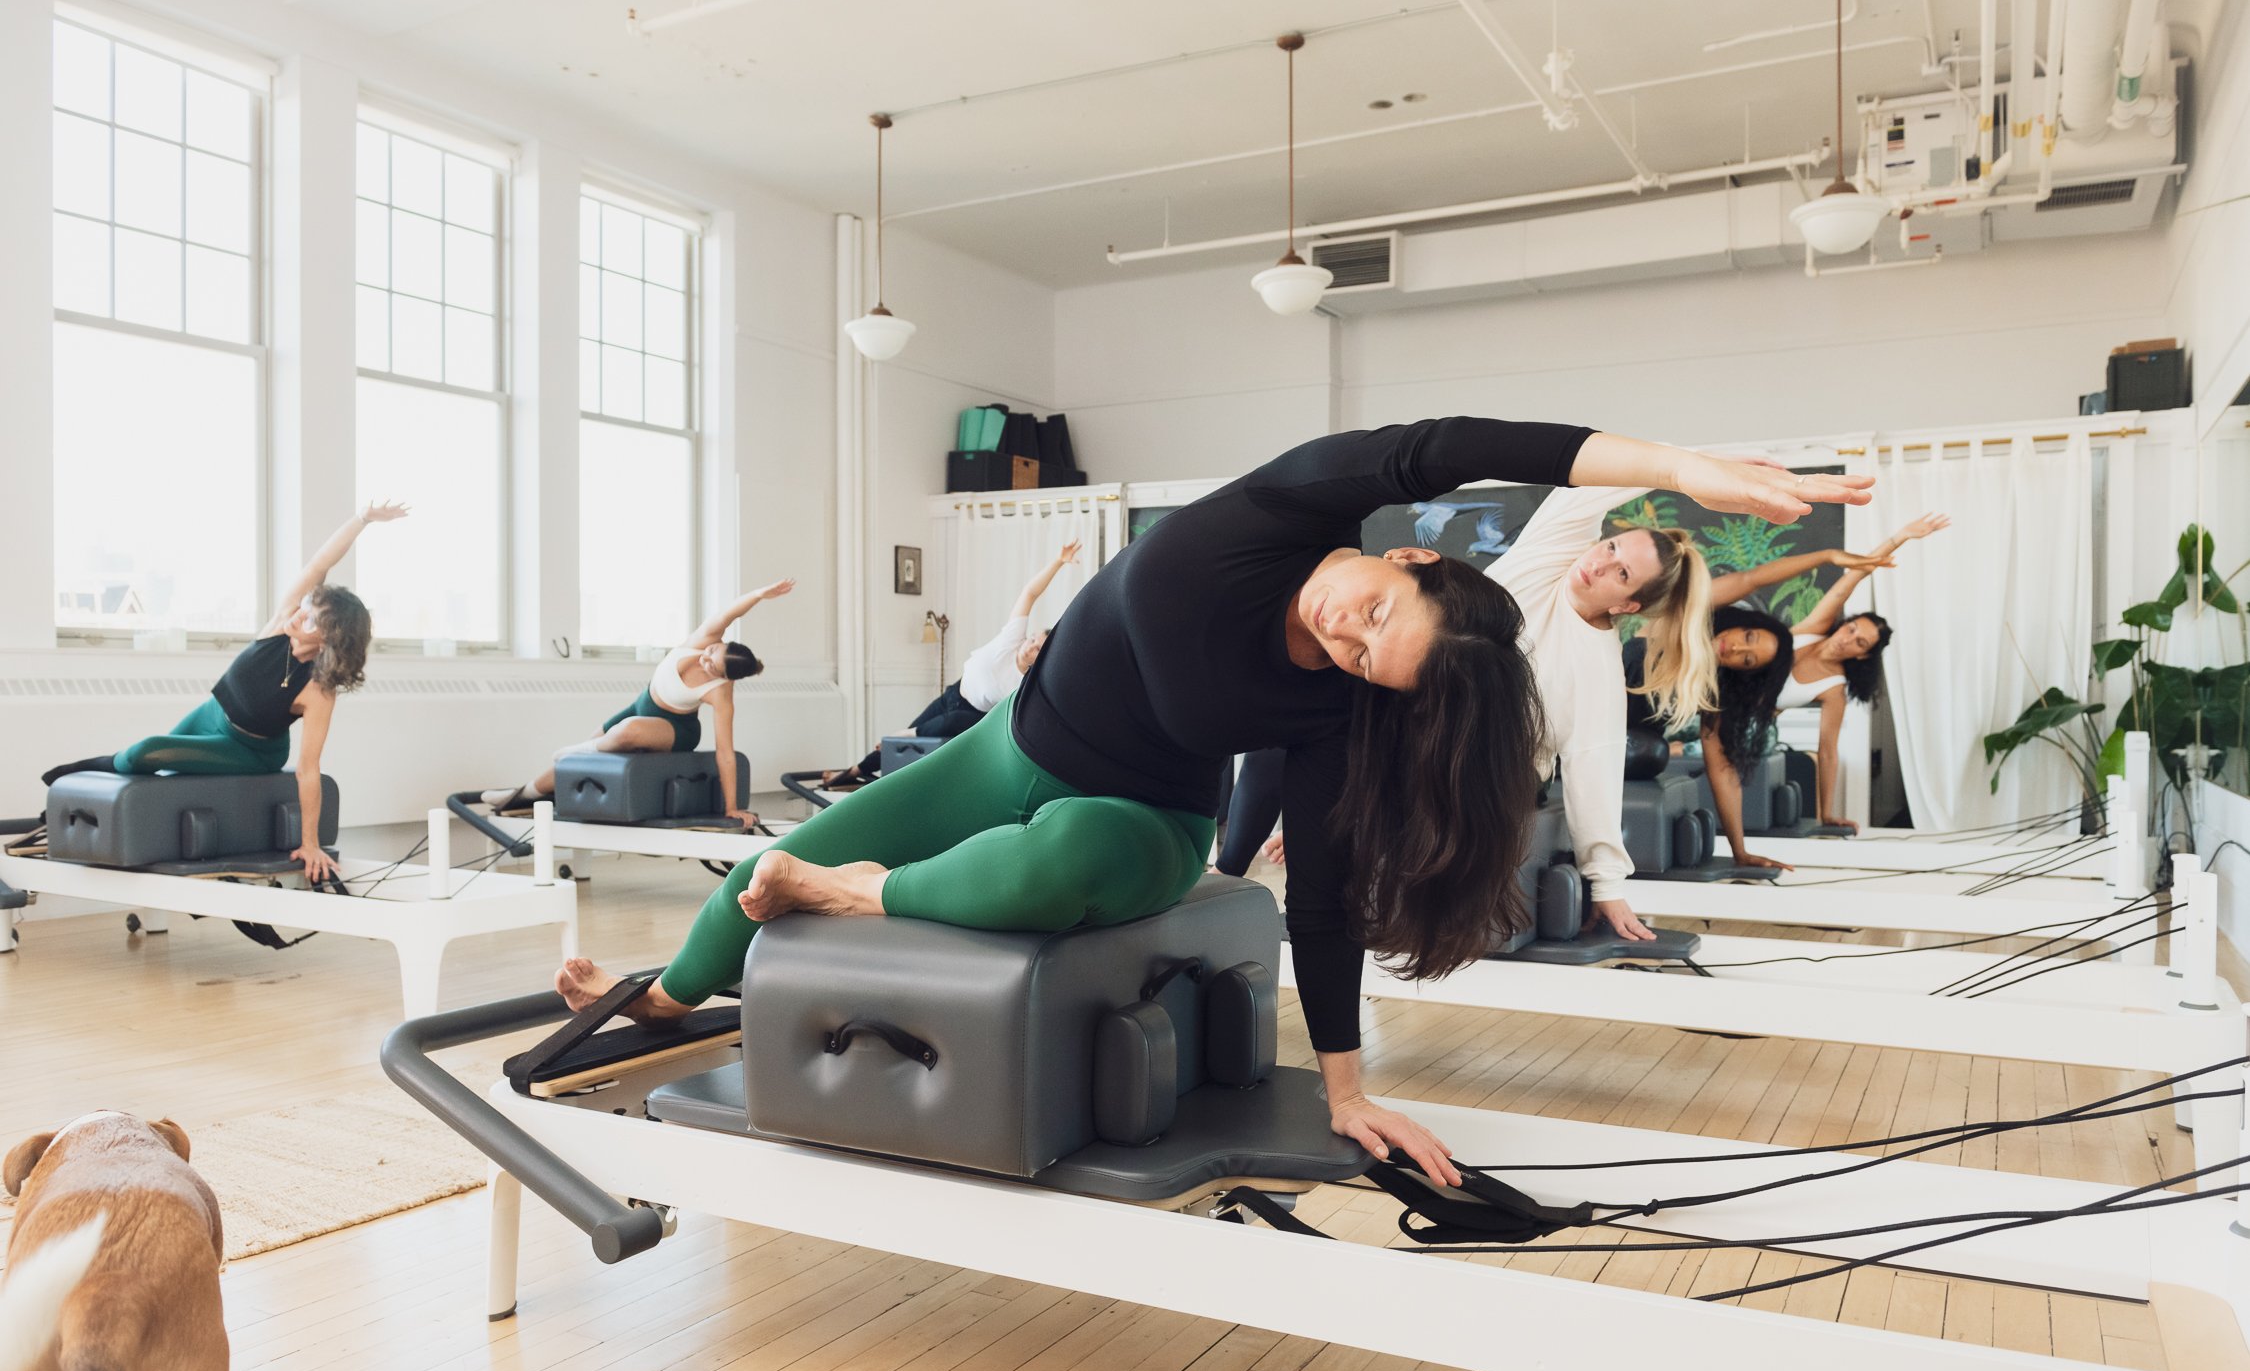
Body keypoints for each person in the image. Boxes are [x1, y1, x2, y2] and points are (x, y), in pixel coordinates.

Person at [552, 418, 1869, 1184]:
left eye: (1370, 664)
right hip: (1007, 745)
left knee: (1041, 868)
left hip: (1133, 823)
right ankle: (657, 1001)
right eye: (1369, 620)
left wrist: (1345, 1090)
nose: (1346, 644)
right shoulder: (1278, 513)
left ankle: (832, 894)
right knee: (742, 890)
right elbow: (1453, 438)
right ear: (1405, 555)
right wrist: (1671, 469)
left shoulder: (1334, 707)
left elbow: (1334, 893)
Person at [1226, 485, 1723, 944]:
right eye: (1612, 547)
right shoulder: (1546, 560)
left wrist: (1607, 884)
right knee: (1285, 732)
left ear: (1630, 603)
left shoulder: (1599, 673)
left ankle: (1327, 838)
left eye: (1621, 574)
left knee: (1427, 755)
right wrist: (1686, 472)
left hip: (1492, 766)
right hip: (1414, 718)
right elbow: (1589, 487)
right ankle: (1225, 879)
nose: (1598, 563)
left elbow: (1594, 775)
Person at [39, 505, 405, 882]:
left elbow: (309, 769)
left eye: (311, 617)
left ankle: (74, 772)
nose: (300, 614)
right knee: (147, 764)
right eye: (307, 606)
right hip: (212, 712)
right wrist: (361, 520)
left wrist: (309, 843)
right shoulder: (282, 621)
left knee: (146, 750)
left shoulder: (318, 690)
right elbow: (318, 563)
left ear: (329, 637)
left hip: (250, 750)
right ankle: (69, 801)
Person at [1707, 514, 1948, 832]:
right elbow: (1852, 577)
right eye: (1851, 628)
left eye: (1859, 642)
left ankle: (1685, 747)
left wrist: (1827, 814)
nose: (1847, 638)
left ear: (1862, 654)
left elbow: (1828, 751)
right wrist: (1900, 536)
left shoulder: (1834, 688)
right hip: (1721, 684)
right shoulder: (1813, 629)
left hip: (1748, 724)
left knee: (1726, 737)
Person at [486, 579, 795, 824]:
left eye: (714, 667)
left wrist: (732, 808)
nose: (706, 661)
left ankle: (577, 749)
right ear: (720, 643)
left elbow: (725, 753)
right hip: (641, 705)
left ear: (726, 677)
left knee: (624, 732)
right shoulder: (704, 638)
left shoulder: (721, 692)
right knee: (573, 762)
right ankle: (518, 796)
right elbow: (729, 613)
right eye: (712, 653)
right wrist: (758, 594)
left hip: (675, 730)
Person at [821, 542, 1083, 789]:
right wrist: (1058, 562)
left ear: (1042, 658)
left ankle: (891, 757)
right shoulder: (1012, 639)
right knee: (903, 742)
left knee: (941, 725)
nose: (1031, 645)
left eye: (1038, 648)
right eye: (1033, 638)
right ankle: (855, 770)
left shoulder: (1025, 684)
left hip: (972, 718)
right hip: (954, 694)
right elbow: (1030, 593)